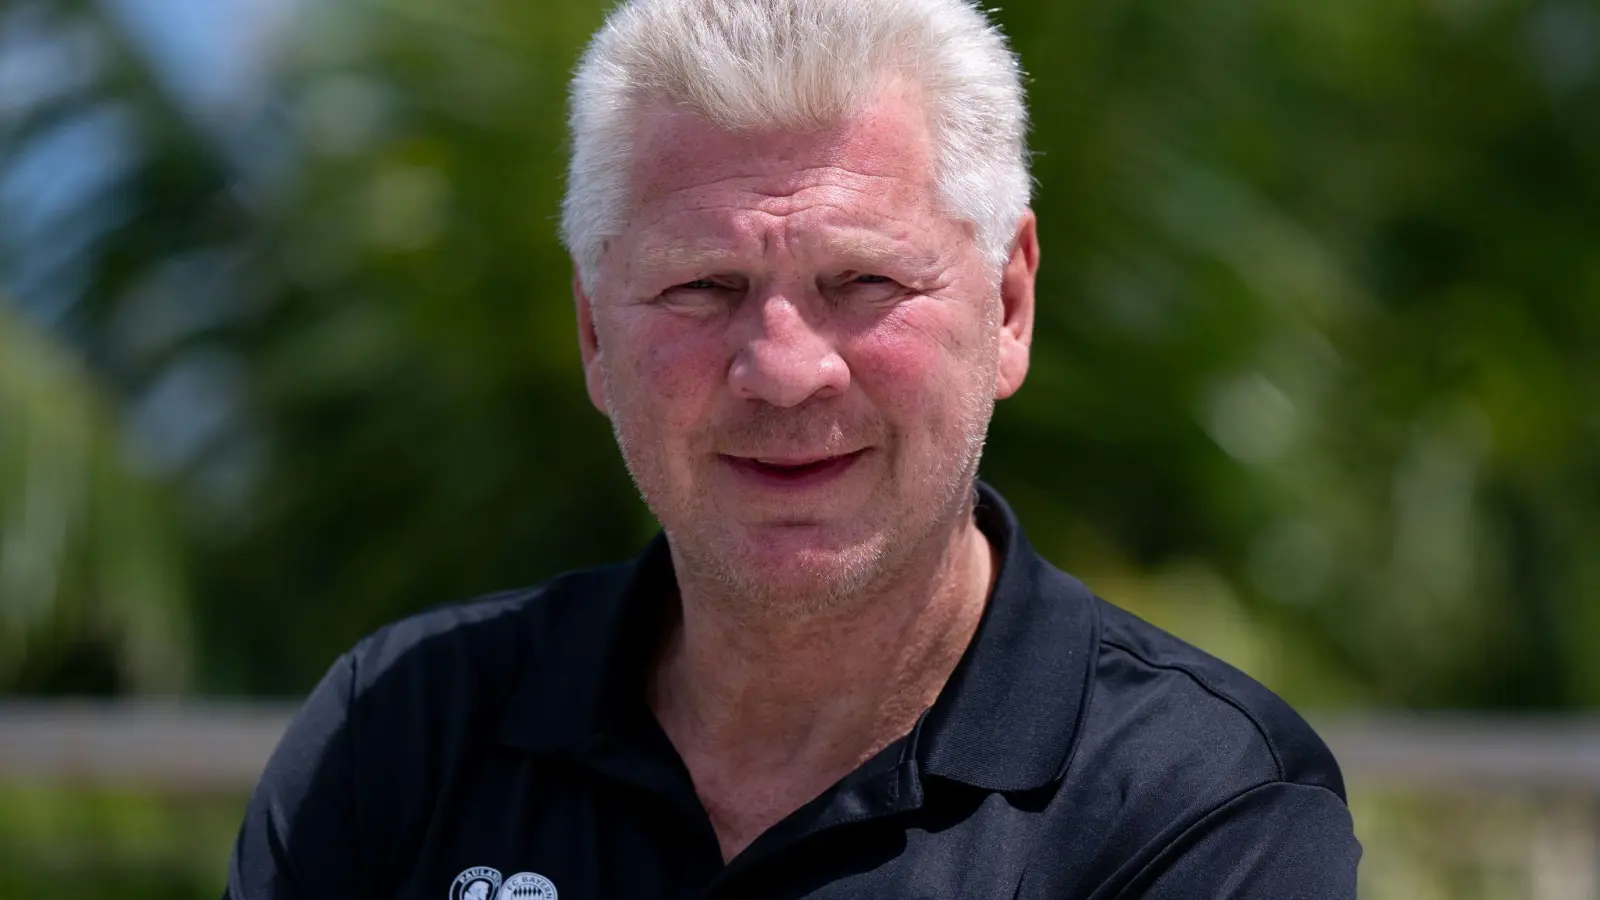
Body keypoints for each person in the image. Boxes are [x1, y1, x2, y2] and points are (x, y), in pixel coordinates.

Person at [225, 0, 1361, 897]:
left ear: (1007, 304)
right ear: (591, 333)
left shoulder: (1200, 807)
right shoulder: (399, 735)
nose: (782, 366)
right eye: (703, 285)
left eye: (862, 281)